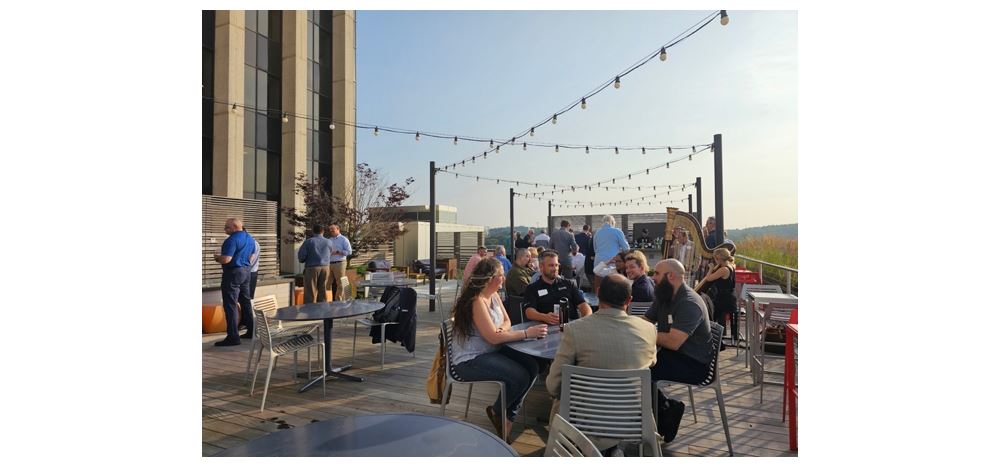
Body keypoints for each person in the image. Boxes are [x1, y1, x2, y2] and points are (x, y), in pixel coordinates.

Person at [546, 273, 657, 450]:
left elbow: (553, 385)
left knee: (559, 402)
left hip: (582, 424)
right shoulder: (648, 329)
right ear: (629, 300)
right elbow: (651, 362)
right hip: (632, 422)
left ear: (598, 293)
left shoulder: (575, 330)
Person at [449, 258, 548, 442]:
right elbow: (493, 338)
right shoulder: (477, 301)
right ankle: (501, 415)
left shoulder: (493, 295)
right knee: (520, 376)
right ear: (489, 278)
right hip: (470, 359)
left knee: (533, 366)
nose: (504, 278)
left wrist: (501, 329)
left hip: (491, 349)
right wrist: (527, 333)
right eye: (501, 275)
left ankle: (504, 415)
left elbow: (507, 320)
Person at [643, 260, 713, 385]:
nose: (653, 278)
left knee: (640, 367)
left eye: (657, 273)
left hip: (693, 365)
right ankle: (654, 397)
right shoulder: (665, 294)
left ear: (670, 276)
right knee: (634, 359)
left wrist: (641, 333)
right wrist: (625, 323)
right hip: (671, 355)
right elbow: (646, 320)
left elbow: (673, 342)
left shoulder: (689, 303)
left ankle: (655, 398)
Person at [214, 218, 255, 346]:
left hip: (233, 273)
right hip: (246, 272)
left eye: (227, 227)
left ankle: (233, 337)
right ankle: (251, 331)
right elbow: (252, 256)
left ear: (235, 226)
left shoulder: (231, 240)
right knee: (245, 301)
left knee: (230, 304)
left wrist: (217, 258)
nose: (224, 229)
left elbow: (226, 259)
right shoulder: (250, 238)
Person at [523, 251, 593, 325]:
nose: (555, 268)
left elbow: (583, 305)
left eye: (556, 265)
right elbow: (529, 312)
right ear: (541, 267)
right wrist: (544, 317)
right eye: (551, 265)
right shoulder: (532, 288)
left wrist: (585, 321)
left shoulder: (569, 284)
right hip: (546, 328)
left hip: (571, 326)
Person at [696, 248, 737, 348]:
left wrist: (710, 268)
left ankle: (713, 339)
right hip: (730, 297)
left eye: (715, 258)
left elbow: (708, 278)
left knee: (710, 315)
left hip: (724, 299)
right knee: (711, 311)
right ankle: (717, 338)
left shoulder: (723, 269)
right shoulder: (731, 266)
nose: (714, 260)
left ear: (718, 258)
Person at [593, 215, 630, 296]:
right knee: (614, 289)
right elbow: (626, 248)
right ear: (613, 223)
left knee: (599, 291)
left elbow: (595, 249)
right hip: (613, 262)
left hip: (598, 263)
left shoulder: (597, 232)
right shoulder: (617, 231)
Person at [298, 225, 332, 304]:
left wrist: (303, 260)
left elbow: (301, 256)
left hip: (312, 268)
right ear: (323, 231)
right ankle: (322, 309)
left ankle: (311, 310)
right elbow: (330, 253)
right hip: (325, 267)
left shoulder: (308, 242)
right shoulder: (329, 242)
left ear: (313, 231)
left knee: (310, 292)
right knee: (323, 290)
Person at [326, 224, 352, 301]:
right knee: (327, 282)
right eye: (330, 230)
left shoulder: (344, 239)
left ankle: (338, 301)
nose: (331, 231)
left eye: (333, 230)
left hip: (340, 263)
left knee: (340, 283)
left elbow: (349, 251)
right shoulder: (329, 240)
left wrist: (338, 252)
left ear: (338, 229)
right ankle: (328, 300)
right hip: (329, 263)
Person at [574, 224, 595, 289]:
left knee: (577, 273)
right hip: (585, 257)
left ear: (583, 228)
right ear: (588, 230)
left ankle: (578, 286)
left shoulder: (576, 236)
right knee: (583, 274)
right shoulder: (588, 238)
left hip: (576, 255)